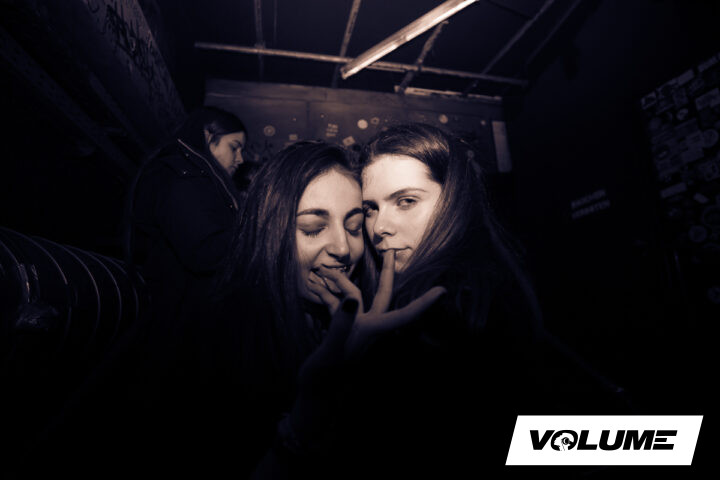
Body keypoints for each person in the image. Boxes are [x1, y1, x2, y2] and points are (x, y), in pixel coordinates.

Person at [313, 123, 627, 477]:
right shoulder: (484, 283)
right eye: (371, 209)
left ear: (455, 201)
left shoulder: (449, 306)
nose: (380, 226)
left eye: (406, 201)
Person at [125, 106, 247, 369]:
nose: (240, 159)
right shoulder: (181, 175)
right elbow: (205, 251)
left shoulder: (193, 174)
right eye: (234, 147)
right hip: (175, 319)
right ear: (208, 136)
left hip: (181, 315)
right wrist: (259, 234)